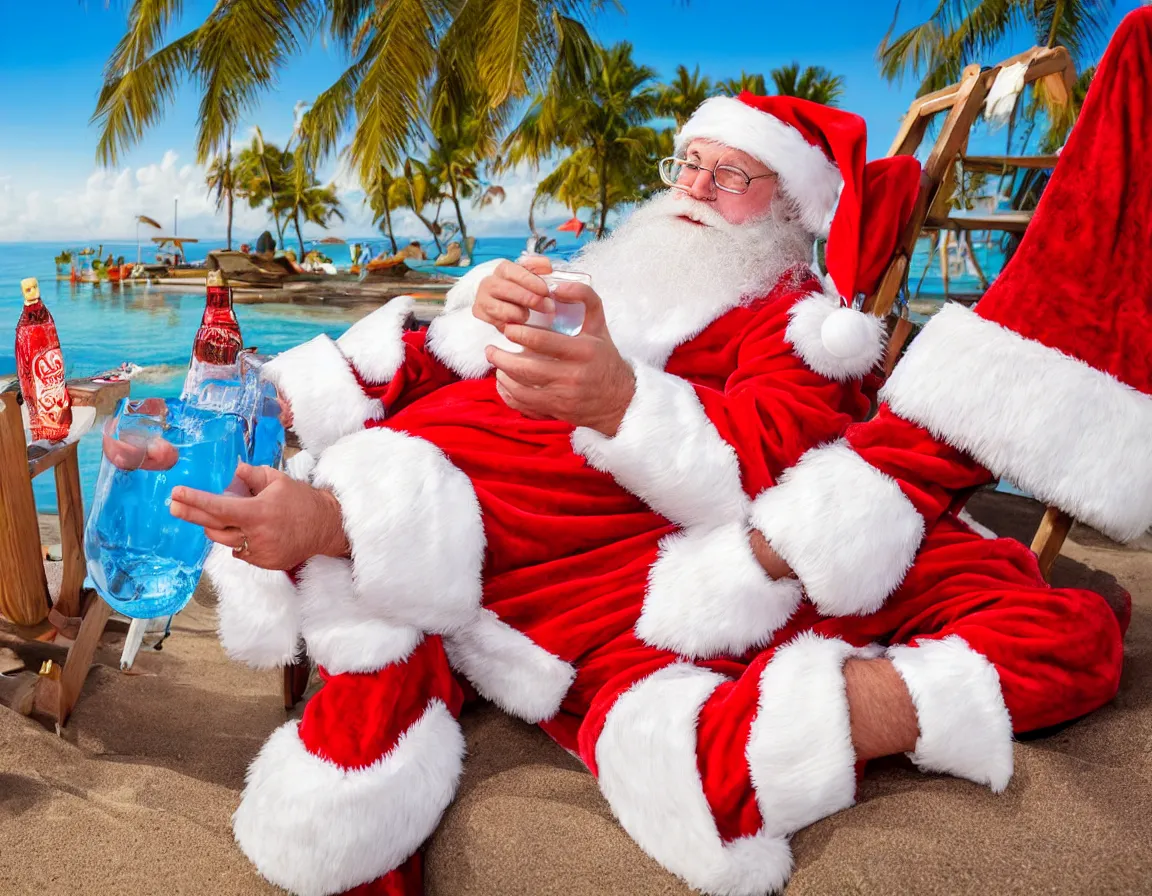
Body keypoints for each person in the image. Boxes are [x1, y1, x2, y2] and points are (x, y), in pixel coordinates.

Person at [170, 86, 1123, 896]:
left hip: (623, 553)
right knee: (391, 453)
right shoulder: (610, 280)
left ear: (790, 206)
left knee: (1049, 635)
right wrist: (436, 331)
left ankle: (332, 526)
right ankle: (276, 483)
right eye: (688, 165)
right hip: (500, 533)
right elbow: (431, 358)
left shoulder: (793, 321)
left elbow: (770, 452)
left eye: (731, 175)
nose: (695, 191)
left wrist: (627, 402)